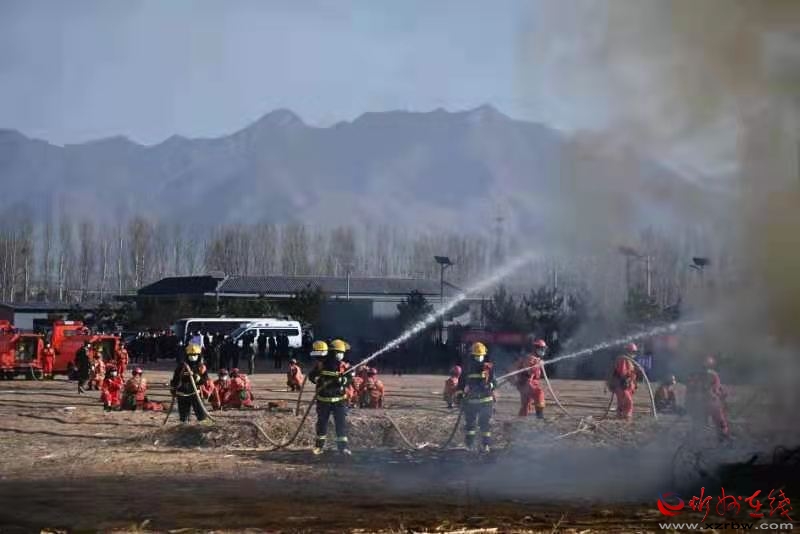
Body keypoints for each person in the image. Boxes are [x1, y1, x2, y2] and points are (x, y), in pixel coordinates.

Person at [308, 340, 352, 456]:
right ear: (334, 352)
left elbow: (350, 379)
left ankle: (343, 448)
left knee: (341, 424)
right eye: (340, 352)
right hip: (323, 400)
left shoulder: (344, 366)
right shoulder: (322, 364)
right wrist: (318, 379)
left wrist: (342, 380)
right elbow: (312, 376)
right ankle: (319, 447)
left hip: (339, 400)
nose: (341, 355)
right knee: (322, 424)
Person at [457, 342, 496, 453]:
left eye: (481, 355)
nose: (479, 358)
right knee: (470, 425)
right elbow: (461, 383)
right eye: (477, 356)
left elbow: (495, 382)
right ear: (472, 355)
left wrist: (489, 385)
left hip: (486, 401)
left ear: (484, 355)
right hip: (471, 401)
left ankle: (486, 445)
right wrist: (460, 395)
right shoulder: (467, 368)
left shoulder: (489, 368)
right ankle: (469, 445)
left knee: (485, 424)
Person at [686, 356, 730, 441]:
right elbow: (716, 390)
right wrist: (723, 395)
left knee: (699, 424)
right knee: (720, 423)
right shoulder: (713, 375)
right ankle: (723, 438)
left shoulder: (693, 375)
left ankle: (696, 440)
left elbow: (689, 390)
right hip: (711, 401)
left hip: (698, 403)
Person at [169, 344, 210, 423]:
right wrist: (173, 389)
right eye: (190, 355)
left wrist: (194, 376)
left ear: (199, 355)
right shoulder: (181, 366)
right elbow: (175, 380)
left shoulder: (201, 367)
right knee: (183, 417)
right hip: (182, 394)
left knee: (202, 415)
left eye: (195, 355)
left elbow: (204, 381)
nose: (192, 357)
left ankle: (205, 427)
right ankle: (184, 427)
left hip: (196, 393)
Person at [514, 339, 548, 418]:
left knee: (526, 404)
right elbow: (529, 372)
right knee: (539, 393)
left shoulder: (536, 358)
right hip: (527, 383)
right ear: (536, 349)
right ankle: (540, 416)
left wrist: (538, 363)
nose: (543, 351)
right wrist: (538, 364)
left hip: (527, 383)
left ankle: (521, 420)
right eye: (541, 349)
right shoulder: (530, 358)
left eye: (544, 349)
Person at [608, 343, 638, 420]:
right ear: (629, 351)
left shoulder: (629, 360)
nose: (634, 354)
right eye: (633, 352)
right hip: (622, 386)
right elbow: (623, 373)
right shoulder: (623, 360)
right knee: (628, 403)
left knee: (622, 403)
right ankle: (627, 419)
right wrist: (630, 377)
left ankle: (620, 418)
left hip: (626, 386)